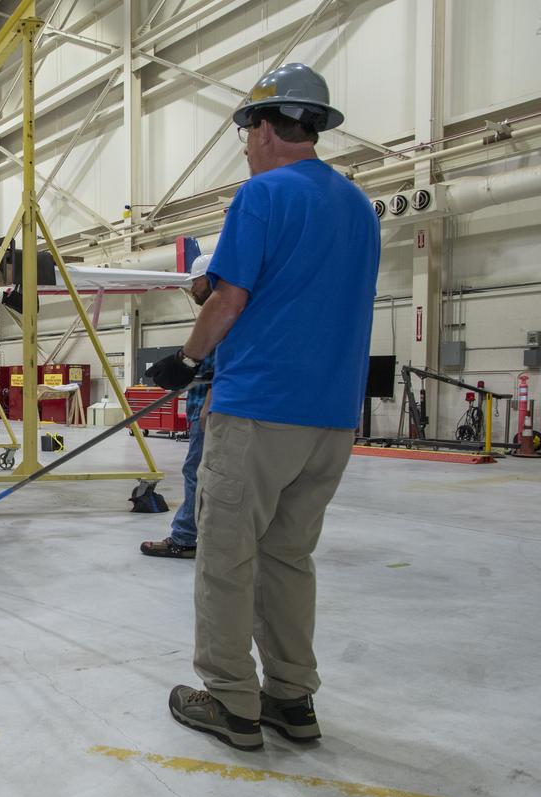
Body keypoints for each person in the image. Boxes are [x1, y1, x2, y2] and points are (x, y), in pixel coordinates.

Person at [147, 63, 380, 751]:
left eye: (246, 130)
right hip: (332, 417)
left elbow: (229, 299)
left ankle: (230, 700)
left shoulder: (262, 194)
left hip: (258, 409)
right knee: (289, 557)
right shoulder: (358, 206)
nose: (246, 144)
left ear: (265, 127)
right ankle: (290, 697)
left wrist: (185, 360)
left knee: (226, 556)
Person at [140, 253, 214, 559]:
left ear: (209, 278)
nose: (192, 289)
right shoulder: (222, 312)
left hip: (211, 411)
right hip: (203, 407)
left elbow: (224, 367)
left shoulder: (224, 311)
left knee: (197, 473)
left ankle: (185, 538)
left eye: (195, 282)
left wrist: (208, 406)